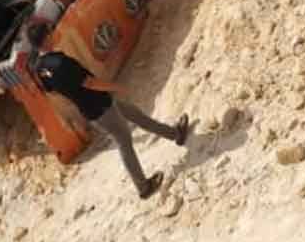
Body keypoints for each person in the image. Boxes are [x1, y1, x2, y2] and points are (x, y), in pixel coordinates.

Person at [32, 50, 189, 199]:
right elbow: (90, 83)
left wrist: (73, 91)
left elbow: (51, 90)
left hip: (90, 107)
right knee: (124, 141)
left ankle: (175, 134)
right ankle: (143, 187)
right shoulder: (62, 61)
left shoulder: (39, 67)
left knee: (136, 116)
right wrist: (116, 87)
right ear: (46, 37)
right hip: (100, 105)